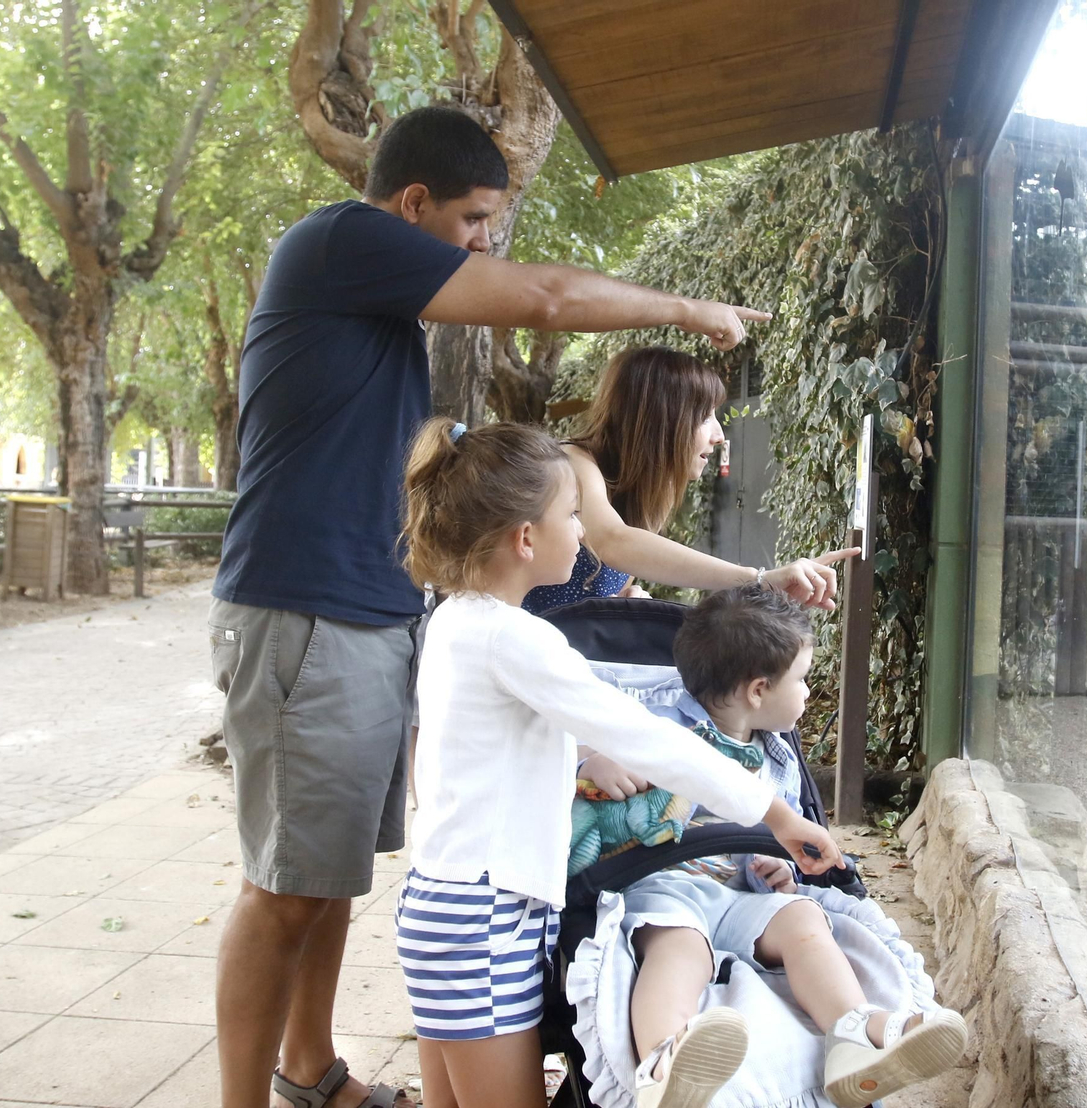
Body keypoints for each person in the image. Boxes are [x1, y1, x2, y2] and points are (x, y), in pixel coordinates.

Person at [208, 105, 773, 1108]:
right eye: (473, 222)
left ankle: (310, 1071)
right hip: (305, 612)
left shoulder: (375, 305)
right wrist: (688, 310)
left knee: (328, 872)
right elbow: (546, 298)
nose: (482, 248)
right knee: (284, 884)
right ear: (414, 204)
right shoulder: (342, 241)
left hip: (365, 614)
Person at [393, 420, 843, 1108]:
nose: (583, 531)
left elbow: (495, 740)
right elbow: (644, 736)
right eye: (571, 515)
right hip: (485, 914)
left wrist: (580, 755)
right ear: (525, 539)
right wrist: (776, 812)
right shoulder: (516, 638)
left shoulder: (458, 621)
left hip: (446, 900)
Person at [576, 586, 966, 1108]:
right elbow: (567, 732)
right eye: (802, 680)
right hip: (662, 888)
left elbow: (787, 844)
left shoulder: (775, 756)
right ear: (758, 689)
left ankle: (856, 1033)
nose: (809, 692)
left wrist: (781, 869)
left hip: (740, 897)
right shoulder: (657, 725)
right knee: (679, 948)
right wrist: (588, 760)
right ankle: (665, 1063)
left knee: (805, 919)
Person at [524, 345, 857, 615]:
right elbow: (612, 541)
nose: (718, 435)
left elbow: (613, 570)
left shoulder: (650, 490)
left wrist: (623, 600)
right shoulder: (572, 463)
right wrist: (759, 579)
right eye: (704, 416)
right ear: (660, 419)